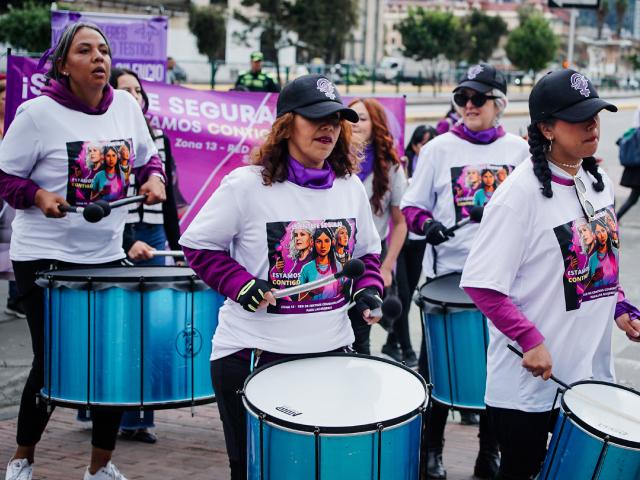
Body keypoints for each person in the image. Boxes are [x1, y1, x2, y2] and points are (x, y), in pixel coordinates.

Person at [179, 74, 383, 480]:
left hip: (329, 352)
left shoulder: (350, 188)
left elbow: (366, 256)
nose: (328, 127)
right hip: (253, 355)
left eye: (335, 119)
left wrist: (366, 294)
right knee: (254, 469)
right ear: (286, 125)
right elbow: (198, 246)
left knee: (318, 469)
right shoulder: (246, 185)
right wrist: (243, 286)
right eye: (316, 118)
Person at [0, 23, 166, 480]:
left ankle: (100, 466)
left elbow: (148, 159)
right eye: (86, 50)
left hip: (106, 254)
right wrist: (38, 197)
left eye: (105, 51)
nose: (99, 58)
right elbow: (5, 177)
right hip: (44, 258)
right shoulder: (37, 114)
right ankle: (22, 459)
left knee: (111, 361)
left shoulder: (127, 107)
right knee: (51, 360)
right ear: (63, 65)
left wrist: (154, 179)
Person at [461, 69, 640, 480]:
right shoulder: (517, 197)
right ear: (546, 128)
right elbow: (482, 285)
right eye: (579, 118)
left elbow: (600, 266)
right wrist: (530, 338)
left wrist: (621, 307)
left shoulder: (600, 184)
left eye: (595, 114)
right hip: (530, 387)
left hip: (588, 375)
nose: (592, 124)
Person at [401, 64, 530, 480]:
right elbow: (412, 206)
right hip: (449, 282)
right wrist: (428, 226)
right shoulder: (439, 149)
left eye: (478, 99)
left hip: (507, 282)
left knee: (499, 373)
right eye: (463, 99)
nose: (469, 106)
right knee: (437, 370)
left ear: (500, 104)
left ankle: (488, 453)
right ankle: (431, 451)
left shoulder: (520, 151)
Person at [347, 98, 409, 358]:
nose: (355, 124)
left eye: (362, 118)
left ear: (376, 125)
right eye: (351, 118)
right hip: (334, 254)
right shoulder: (328, 161)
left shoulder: (391, 166)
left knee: (362, 333)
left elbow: (401, 222)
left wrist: (386, 267)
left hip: (371, 257)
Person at [0, 73, 24, 320]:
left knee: (10, 248)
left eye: (9, 96)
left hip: (9, 202)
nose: (7, 100)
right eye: (2, 96)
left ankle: (15, 299)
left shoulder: (15, 125)